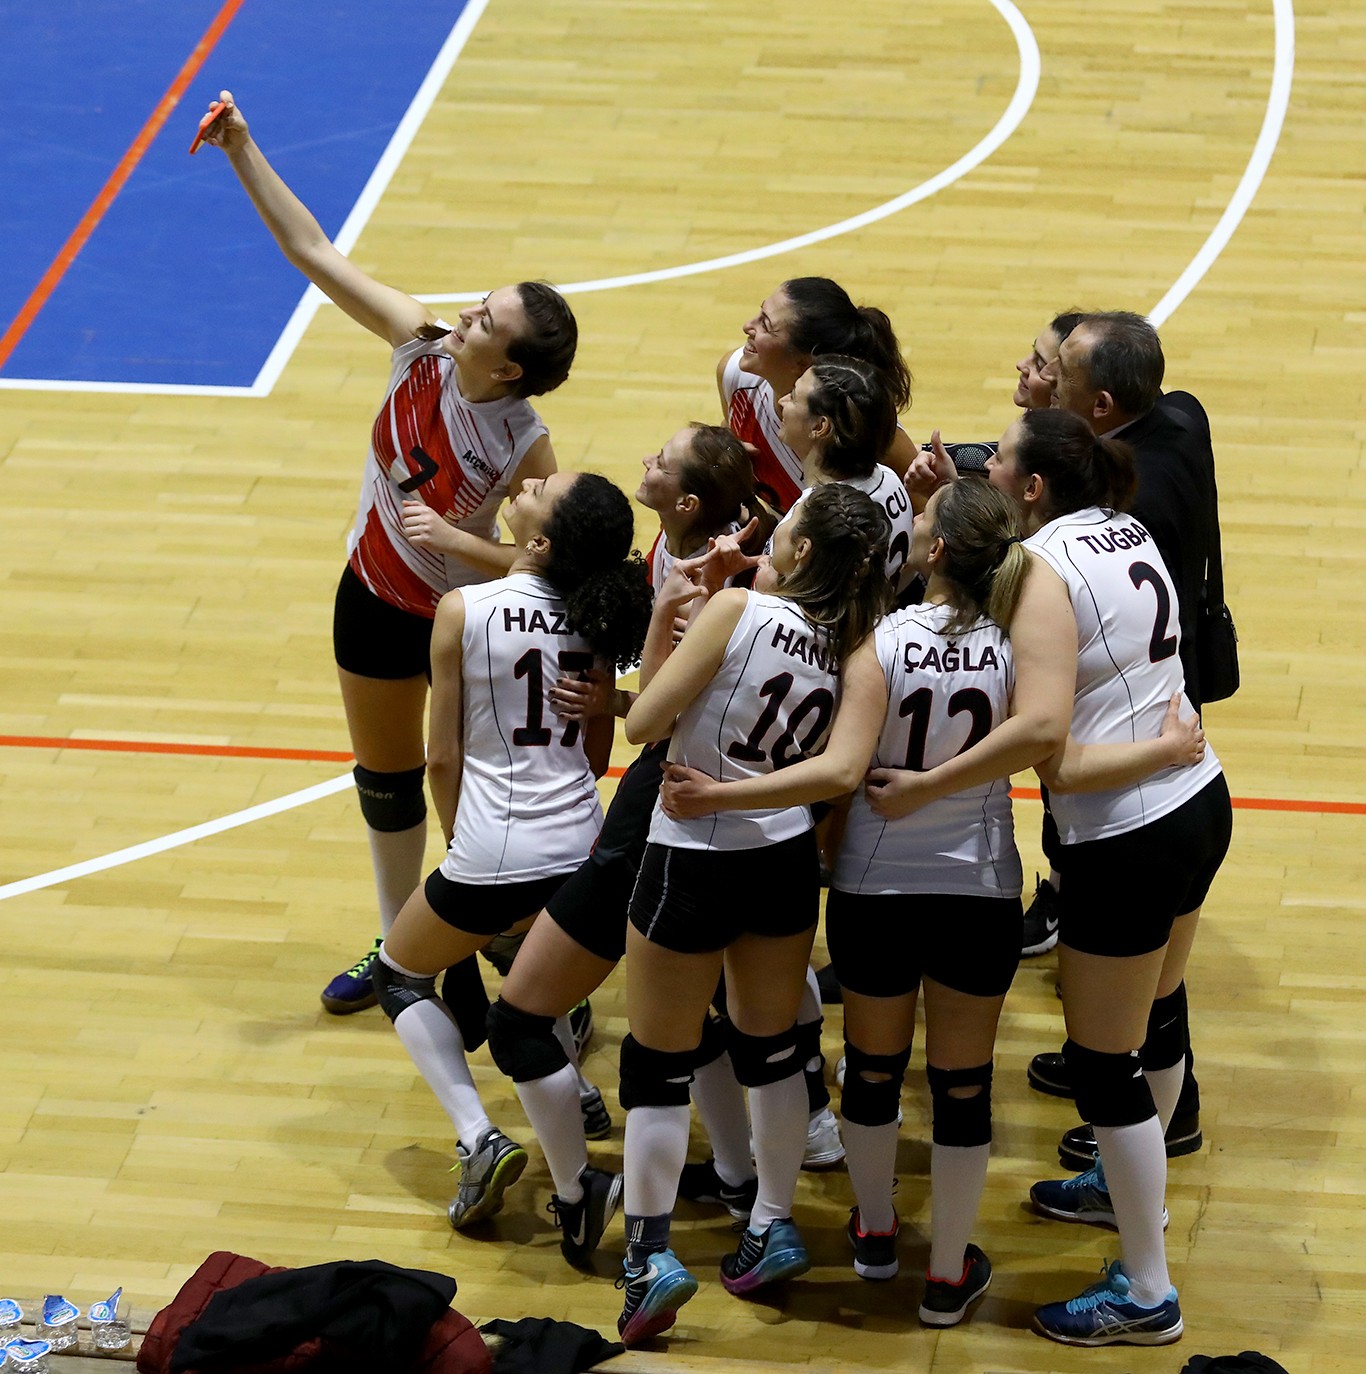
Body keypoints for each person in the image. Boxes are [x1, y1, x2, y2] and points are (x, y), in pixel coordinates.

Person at [199, 91, 579, 1014]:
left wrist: (458, 542)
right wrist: (243, 146)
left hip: (462, 624)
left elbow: (551, 568)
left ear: (511, 368)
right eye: (478, 304)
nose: (464, 316)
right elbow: (314, 252)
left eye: (484, 320)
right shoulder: (420, 345)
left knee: (476, 793)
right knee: (386, 782)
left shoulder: (526, 446)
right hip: (371, 599)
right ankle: (399, 946)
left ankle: (522, 954)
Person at [659, 477, 1071, 1325]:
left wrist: (725, 794)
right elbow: (1040, 739)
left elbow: (838, 769)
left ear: (940, 551)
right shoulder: (1011, 645)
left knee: (874, 1072)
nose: (911, 526)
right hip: (977, 885)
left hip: (874, 888)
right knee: (962, 1087)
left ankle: (876, 1235)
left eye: (922, 520)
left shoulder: (878, 641)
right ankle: (948, 1276)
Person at [476, 423, 764, 1266]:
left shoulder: (707, 587)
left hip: (658, 813)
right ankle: (745, 1181)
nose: (646, 460)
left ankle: (592, 1205)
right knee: (698, 1016)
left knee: (522, 1023)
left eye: (662, 461)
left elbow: (656, 718)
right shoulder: (709, 567)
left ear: (691, 503)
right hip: (716, 818)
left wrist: (626, 686)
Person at [612, 483, 892, 1346]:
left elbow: (642, 723)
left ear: (801, 553)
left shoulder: (736, 609)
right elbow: (839, 773)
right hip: (782, 860)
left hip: (692, 853)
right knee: (772, 1052)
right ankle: (771, 1222)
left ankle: (648, 1257)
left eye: (782, 535)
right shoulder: (859, 646)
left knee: (656, 1064)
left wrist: (671, 614)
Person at [977, 407, 1230, 1345]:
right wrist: (1169, 748)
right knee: (1158, 1016)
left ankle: (1147, 1291)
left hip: (1129, 831)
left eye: (1000, 458)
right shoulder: (1126, 526)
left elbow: (1063, 762)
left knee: (1100, 1062)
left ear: (1034, 486)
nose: (987, 464)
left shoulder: (1041, 570)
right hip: (1200, 803)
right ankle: (1124, 1189)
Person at [368, 472, 652, 1232]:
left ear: (541, 539)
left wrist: (457, 837)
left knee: (399, 974)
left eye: (539, 489)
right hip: (582, 849)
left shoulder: (464, 609)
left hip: (494, 850)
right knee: (530, 972)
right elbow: (596, 758)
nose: (526, 482)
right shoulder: (593, 621)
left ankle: (478, 1136)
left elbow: (440, 758)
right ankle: (574, 1099)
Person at [1033, 311, 1220, 1163]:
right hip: (1187, 764)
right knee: (1154, 990)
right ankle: (1160, 1108)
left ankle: (1150, 1156)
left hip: (1135, 771)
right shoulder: (1179, 418)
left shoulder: (1084, 540)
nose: (1041, 379)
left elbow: (1055, 754)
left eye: (1056, 372)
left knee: (1112, 1046)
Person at [719, 278, 917, 514]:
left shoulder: (863, 430)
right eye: (759, 313)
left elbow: (930, 513)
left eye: (765, 324)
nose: (747, 326)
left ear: (802, 363)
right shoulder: (734, 377)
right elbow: (731, 432)